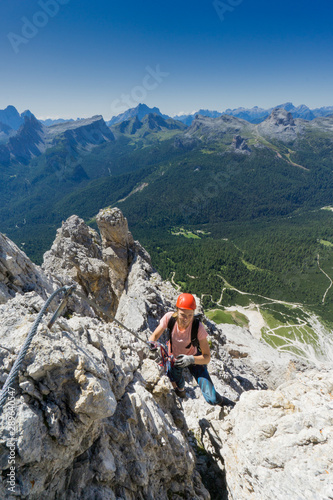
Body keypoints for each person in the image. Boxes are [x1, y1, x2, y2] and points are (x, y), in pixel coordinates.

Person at [149, 293, 235, 408]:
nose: (186, 319)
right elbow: (154, 335)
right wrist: (152, 344)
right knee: (178, 384)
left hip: (195, 360)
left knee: (212, 399)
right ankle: (181, 390)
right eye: (183, 315)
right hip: (175, 358)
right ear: (177, 310)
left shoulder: (197, 327)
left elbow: (207, 357)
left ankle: (223, 401)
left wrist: (190, 359)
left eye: (190, 315)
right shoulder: (169, 318)